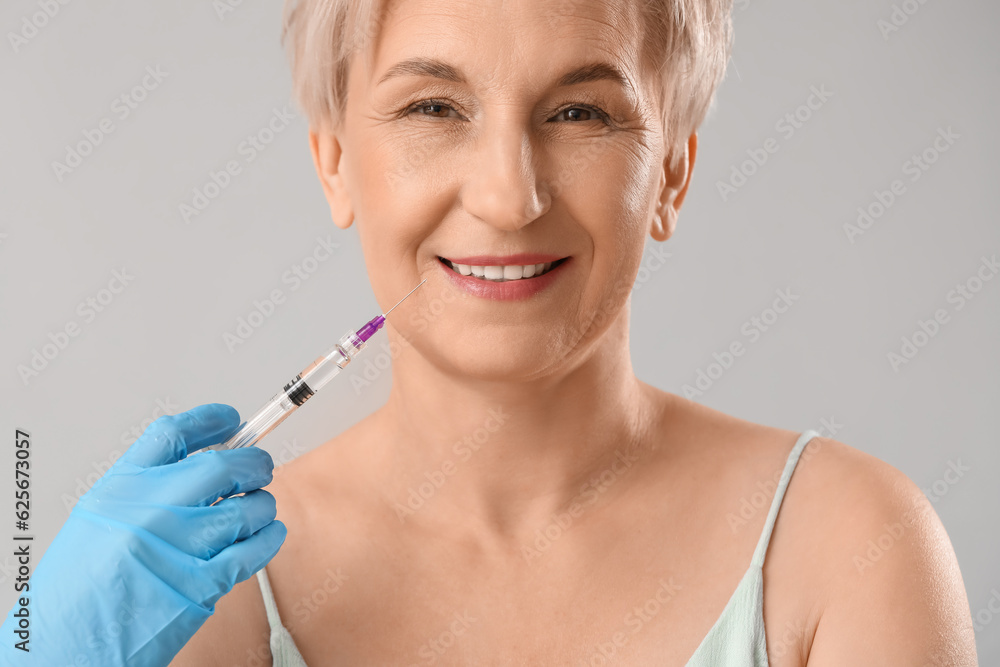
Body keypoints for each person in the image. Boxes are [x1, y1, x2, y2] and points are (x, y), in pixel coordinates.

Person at [9, 0, 978, 665]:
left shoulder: (843, 544)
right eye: (434, 107)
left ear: (672, 174)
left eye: (578, 111)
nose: (508, 198)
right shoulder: (204, 588)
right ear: (336, 164)